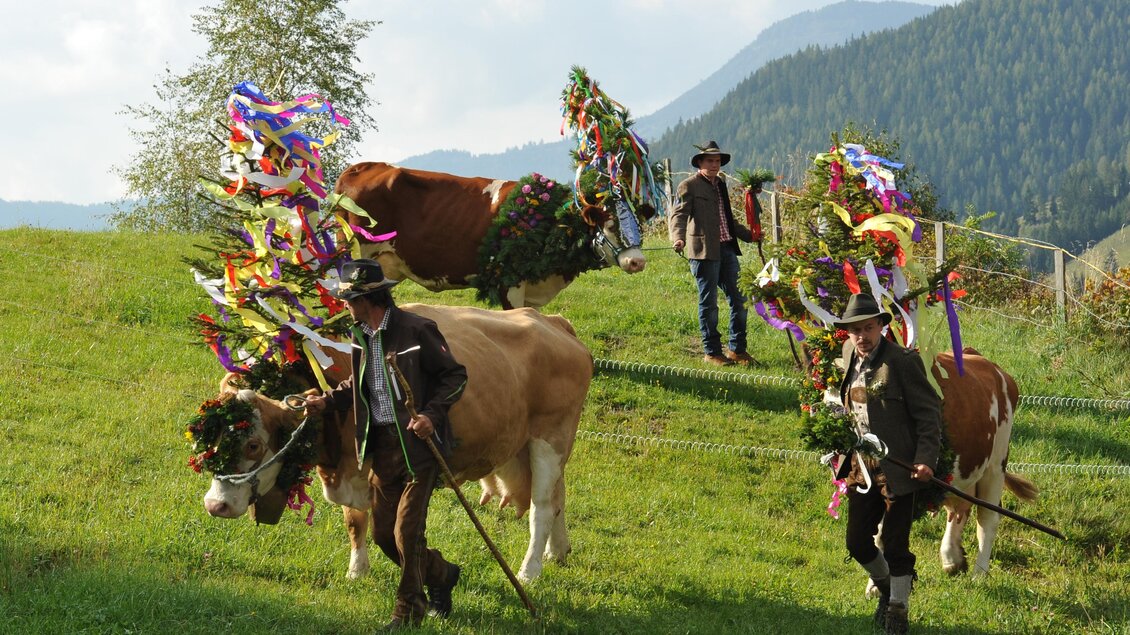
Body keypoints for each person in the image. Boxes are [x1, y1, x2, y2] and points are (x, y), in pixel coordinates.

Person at [304, 258, 467, 630]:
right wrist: (326, 402)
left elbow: (455, 376)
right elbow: (356, 387)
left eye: (349, 298)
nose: (344, 305)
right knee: (382, 537)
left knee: (406, 533)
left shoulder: (417, 330)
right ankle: (442, 575)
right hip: (382, 451)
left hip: (418, 448)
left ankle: (408, 611)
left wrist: (430, 415)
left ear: (369, 298)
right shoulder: (361, 335)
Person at [834, 293, 942, 635]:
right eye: (855, 330)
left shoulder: (902, 362)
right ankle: (887, 587)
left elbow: (929, 416)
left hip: (900, 469)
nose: (862, 336)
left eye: (868, 328)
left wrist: (925, 460)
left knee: (895, 543)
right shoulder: (850, 355)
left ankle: (898, 610)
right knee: (857, 543)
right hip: (860, 467)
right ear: (847, 333)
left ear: (881, 325)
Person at [668, 140, 757, 366]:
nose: (715, 164)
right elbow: (678, 215)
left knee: (740, 300)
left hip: (727, 250)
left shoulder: (720, 184)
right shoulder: (688, 186)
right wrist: (677, 238)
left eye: (718, 161)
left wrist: (750, 235)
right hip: (703, 253)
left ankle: (737, 350)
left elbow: (727, 219)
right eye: (710, 160)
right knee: (709, 304)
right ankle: (712, 352)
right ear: (700, 162)